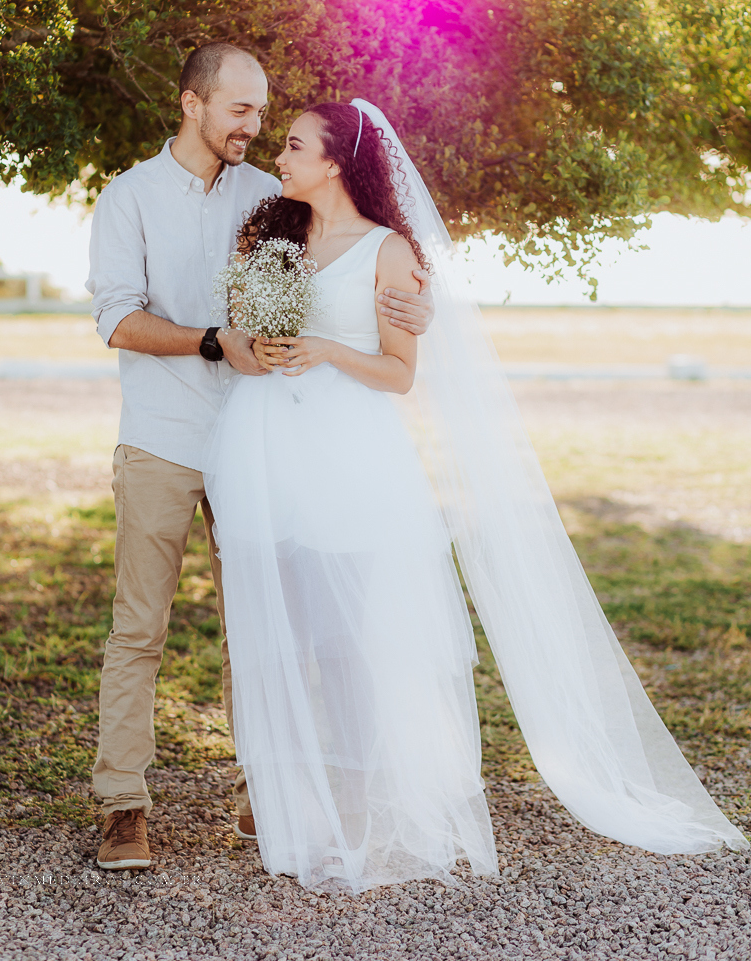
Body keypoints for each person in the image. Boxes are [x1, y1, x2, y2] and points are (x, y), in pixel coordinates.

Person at [203, 99, 748, 892]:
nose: (279, 157)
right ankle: (291, 814)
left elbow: (399, 373)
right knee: (279, 633)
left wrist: (323, 349)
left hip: (350, 455)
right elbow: (247, 331)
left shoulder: (390, 254)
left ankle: (358, 817)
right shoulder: (271, 237)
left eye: (293, 145)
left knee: (353, 639)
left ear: (335, 163)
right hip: (264, 446)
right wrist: (262, 336)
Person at [85, 47, 434, 871]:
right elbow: (117, 319)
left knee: (262, 627)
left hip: (260, 443)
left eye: (261, 113)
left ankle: (263, 784)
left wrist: (421, 302)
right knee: (139, 626)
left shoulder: (273, 196)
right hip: (163, 437)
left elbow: (359, 263)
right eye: (240, 111)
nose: (255, 127)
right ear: (190, 104)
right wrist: (216, 341)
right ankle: (121, 804)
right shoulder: (128, 197)